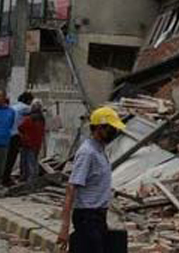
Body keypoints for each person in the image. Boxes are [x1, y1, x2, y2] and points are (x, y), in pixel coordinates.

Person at [57, 107, 126, 253]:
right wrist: (64, 227)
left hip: (98, 216)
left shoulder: (100, 150)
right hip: (87, 217)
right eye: (111, 129)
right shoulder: (87, 153)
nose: (114, 133)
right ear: (99, 128)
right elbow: (71, 188)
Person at [2, 92, 33, 186]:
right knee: (12, 158)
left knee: (6, 158)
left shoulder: (13, 106)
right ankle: (6, 179)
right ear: (28, 100)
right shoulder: (26, 108)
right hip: (16, 134)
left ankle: (3, 177)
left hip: (7, 133)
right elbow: (36, 110)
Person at [18, 99, 45, 183]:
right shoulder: (42, 119)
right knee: (34, 161)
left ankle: (30, 180)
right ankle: (32, 178)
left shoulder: (29, 119)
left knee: (28, 162)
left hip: (28, 142)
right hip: (37, 143)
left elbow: (20, 127)